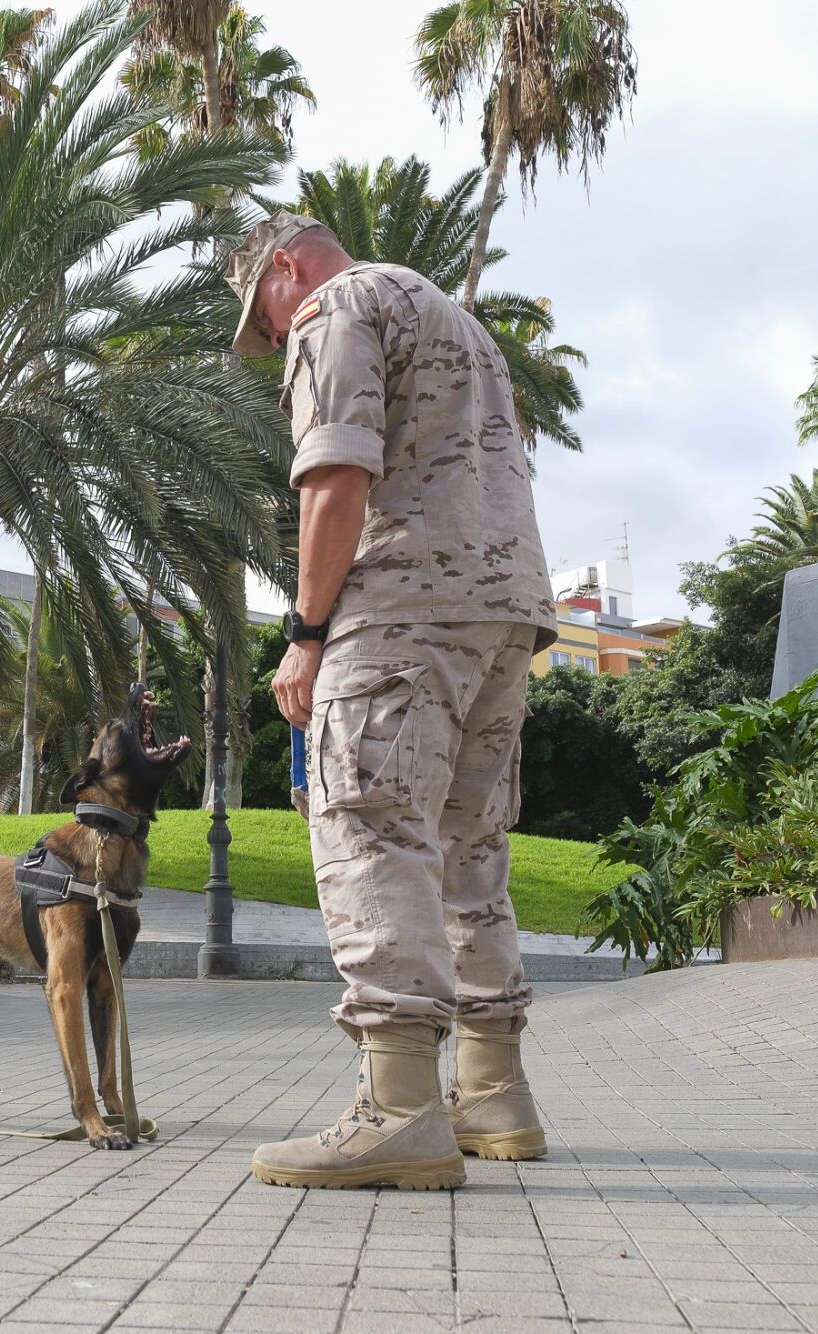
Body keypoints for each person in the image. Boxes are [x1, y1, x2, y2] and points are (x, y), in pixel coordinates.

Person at [228, 211, 558, 1189]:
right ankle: (492, 1094)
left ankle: (400, 1107)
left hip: (403, 609)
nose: (274, 345)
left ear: (283, 269)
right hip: (503, 613)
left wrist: (303, 632)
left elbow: (334, 480)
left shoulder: (336, 305)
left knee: (368, 829)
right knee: (468, 848)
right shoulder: (455, 317)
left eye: (265, 325)